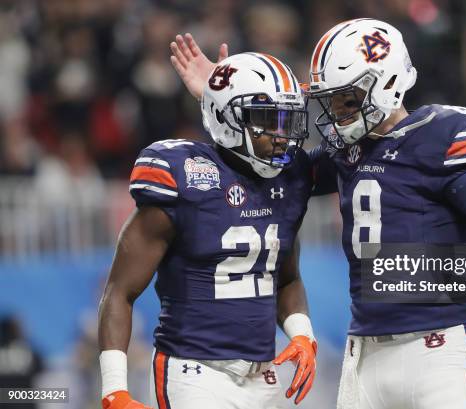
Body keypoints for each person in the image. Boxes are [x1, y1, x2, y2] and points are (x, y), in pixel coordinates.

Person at [171, 20, 466, 408]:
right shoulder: (346, 153)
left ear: (386, 85)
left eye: (346, 100)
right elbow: (267, 167)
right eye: (330, 101)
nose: (335, 113)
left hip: (439, 350)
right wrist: (223, 99)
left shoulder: (440, 139)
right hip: (364, 352)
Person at [98, 48, 317, 409]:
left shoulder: (290, 180)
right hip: (195, 372)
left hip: (264, 375)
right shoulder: (186, 176)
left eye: (287, 120)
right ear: (227, 119)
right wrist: (114, 389)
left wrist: (302, 335)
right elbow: (119, 292)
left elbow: (287, 278)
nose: (282, 135)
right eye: (268, 119)